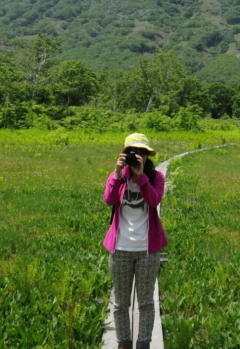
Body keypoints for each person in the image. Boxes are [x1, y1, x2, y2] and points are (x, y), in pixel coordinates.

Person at [102, 133, 168, 349]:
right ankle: (123, 343)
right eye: (133, 152)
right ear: (124, 154)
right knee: (121, 303)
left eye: (142, 152)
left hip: (147, 250)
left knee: (147, 303)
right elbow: (109, 200)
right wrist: (116, 173)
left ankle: (143, 344)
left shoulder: (156, 177)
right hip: (120, 248)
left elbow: (153, 200)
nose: (137, 156)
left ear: (148, 156)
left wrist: (140, 177)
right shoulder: (118, 177)